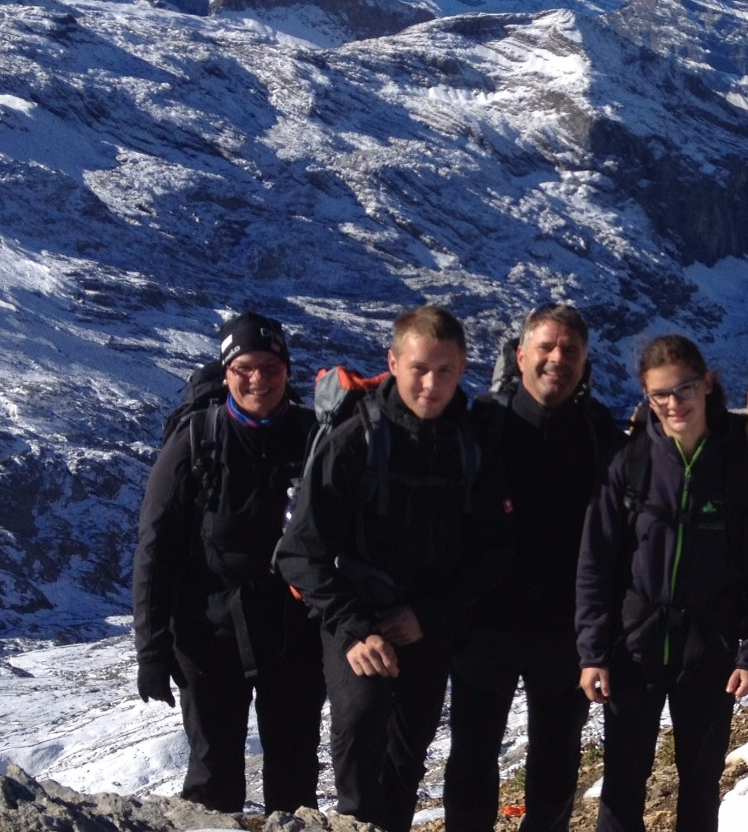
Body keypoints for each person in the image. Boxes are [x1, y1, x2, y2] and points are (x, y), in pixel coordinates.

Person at [275, 306, 509, 832]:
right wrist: (356, 629)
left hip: (428, 622)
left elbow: (494, 550)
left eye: (445, 371)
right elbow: (297, 551)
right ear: (394, 362)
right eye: (419, 368)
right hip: (354, 614)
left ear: (463, 368)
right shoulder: (354, 440)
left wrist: (426, 614)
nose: (431, 384)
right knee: (359, 734)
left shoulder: (470, 447)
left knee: (406, 757)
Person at [575, 335, 748, 832]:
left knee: (700, 780)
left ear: (706, 384)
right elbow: (595, 563)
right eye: (659, 395)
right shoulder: (630, 464)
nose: (674, 403)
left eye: (684, 388)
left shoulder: (739, 466)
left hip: (708, 648)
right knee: (623, 780)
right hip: (633, 646)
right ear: (646, 399)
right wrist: (592, 651)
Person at [132, 312, 324, 815]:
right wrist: (150, 652)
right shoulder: (195, 441)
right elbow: (156, 546)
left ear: (286, 369)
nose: (258, 378)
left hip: (294, 630)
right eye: (244, 368)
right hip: (207, 631)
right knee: (213, 775)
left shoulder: (313, 437)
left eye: (270, 366)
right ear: (225, 373)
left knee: (295, 770)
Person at [443, 305, 625, 832]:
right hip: (484, 625)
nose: (557, 359)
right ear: (520, 354)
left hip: (566, 630)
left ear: (586, 363)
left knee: (557, 762)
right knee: (472, 758)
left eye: (571, 351)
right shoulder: (479, 426)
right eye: (546, 347)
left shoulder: (600, 438)